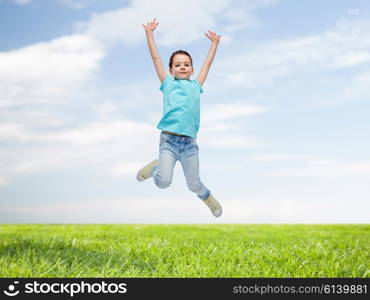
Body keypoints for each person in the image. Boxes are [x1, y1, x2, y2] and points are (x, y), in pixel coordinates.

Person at [136, 18, 222, 217]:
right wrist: (149, 34)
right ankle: (155, 167)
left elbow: (208, 64)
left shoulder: (196, 85)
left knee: (194, 184)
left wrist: (214, 44)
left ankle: (207, 196)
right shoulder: (168, 85)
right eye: (177, 65)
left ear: (192, 69)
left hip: (189, 144)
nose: (182, 67)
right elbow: (156, 59)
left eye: (186, 64)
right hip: (168, 142)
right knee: (164, 183)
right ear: (171, 70)